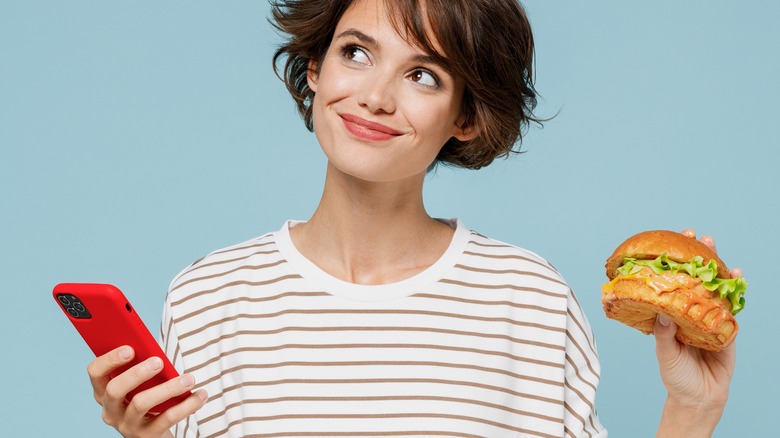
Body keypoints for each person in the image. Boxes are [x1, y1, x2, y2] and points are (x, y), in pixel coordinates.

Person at [86, 0, 738, 436]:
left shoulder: (530, 297)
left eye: (423, 75)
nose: (373, 96)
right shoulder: (207, 296)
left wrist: (692, 406)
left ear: (465, 116)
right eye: (356, 53)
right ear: (315, 67)